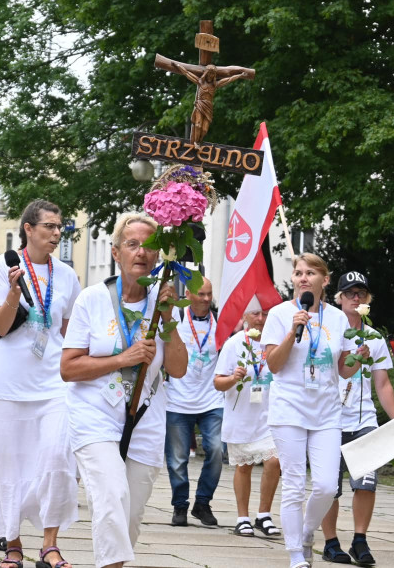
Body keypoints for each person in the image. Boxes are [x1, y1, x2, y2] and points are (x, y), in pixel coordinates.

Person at [61, 212, 187, 568]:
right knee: (111, 497)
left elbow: (178, 368)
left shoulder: (162, 302)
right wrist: (123, 358)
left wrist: (167, 319)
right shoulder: (92, 299)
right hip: (95, 413)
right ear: (116, 252)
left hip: (145, 416)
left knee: (130, 514)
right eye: (132, 244)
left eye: (149, 246)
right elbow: (68, 368)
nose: (141, 253)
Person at [0, 199, 82, 568]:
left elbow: (69, 332)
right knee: (8, 466)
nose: (57, 233)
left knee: (56, 457)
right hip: (8, 384)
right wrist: (13, 294)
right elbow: (0, 328)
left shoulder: (67, 275)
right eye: (50, 226)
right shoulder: (4, 267)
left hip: (52, 384)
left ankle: (50, 544)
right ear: (28, 229)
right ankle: (13, 545)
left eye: (60, 227)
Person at [261, 253, 354, 568]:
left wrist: (359, 357)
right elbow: (273, 364)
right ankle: (295, 555)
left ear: (324, 281)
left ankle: (304, 531)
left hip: (326, 412)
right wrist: (292, 331)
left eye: (310, 273)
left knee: (328, 485)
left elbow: (344, 371)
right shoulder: (279, 314)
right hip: (289, 409)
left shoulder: (339, 318)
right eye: (298, 273)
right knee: (295, 483)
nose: (302, 278)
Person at [320, 271, 394, 566]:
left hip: (364, 421)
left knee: (366, 483)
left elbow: (383, 384)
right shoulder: (328, 332)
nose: (356, 298)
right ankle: (330, 542)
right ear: (339, 298)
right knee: (330, 487)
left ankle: (360, 540)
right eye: (350, 293)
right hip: (330, 420)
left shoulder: (375, 338)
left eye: (361, 293)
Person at [213, 303, 281, 538]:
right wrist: (234, 377)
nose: (260, 319)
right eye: (255, 313)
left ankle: (264, 514)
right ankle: (242, 518)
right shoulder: (234, 344)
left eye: (264, 314)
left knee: (274, 461)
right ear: (244, 316)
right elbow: (218, 382)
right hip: (242, 416)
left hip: (269, 416)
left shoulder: (274, 342)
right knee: (244, 466)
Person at [165, 276, 223, 528]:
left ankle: (203, 502)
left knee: (217, 450)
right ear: (188, 294)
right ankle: (180, 505)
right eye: (201, 294)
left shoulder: (220, 321)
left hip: (211, 399)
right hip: (178, 399)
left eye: (209, 294)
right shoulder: (176, 319)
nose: (207, 299)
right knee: (178, 458)